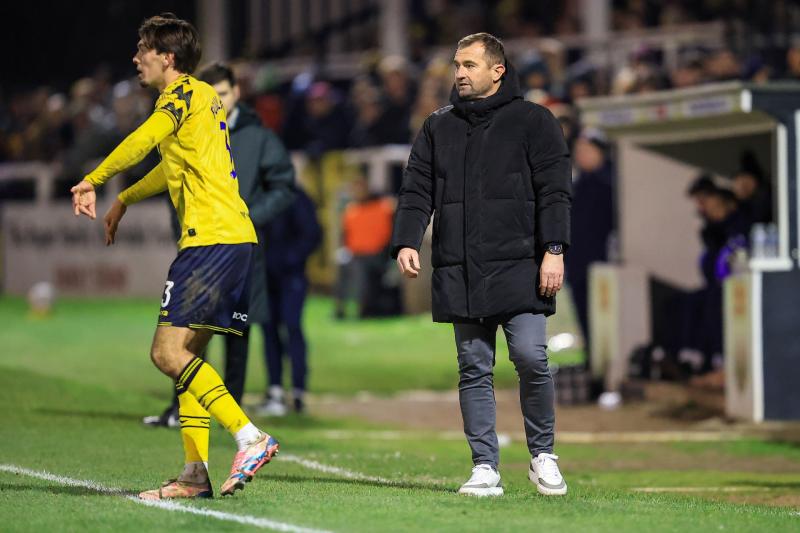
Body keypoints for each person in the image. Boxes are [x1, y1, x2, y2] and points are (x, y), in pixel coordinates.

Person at [69, 14, 278, 500]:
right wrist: (125, 199)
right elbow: (169, 168)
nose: (135, 58)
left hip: (210, 241)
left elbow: (144, 138)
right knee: (189, 357)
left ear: (167, 57)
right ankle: (194, 475)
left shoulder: (180, 94)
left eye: (142, 50)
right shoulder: (202, 99)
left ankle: (250, 437)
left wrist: (94, 179)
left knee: (166, 353)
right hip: (231, 238)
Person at [392, 32, 571, 497]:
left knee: (531, 358)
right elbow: (416, 189)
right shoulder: (438, 126)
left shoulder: (535, 121)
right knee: (473, 367)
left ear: (497, 70)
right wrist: (406, 241)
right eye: (457, 65)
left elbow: (555, 191)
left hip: (521, 266)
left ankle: (543, 455)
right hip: (462, 268)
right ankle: (485, 466)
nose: (459, 73)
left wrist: (554, 249)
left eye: (469, 65)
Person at [142, 62, 297, 426]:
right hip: (201, 249)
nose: (218, 101)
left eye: (223, 93)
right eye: (212, 94)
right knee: (187, 335)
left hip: (240, 251)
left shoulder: (259, 138)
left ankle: (233, 415)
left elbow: (284, 186)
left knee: (236, 334)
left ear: (236, 92)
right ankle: (183, 411)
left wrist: (248, 216)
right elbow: (174, 186)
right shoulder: (191, 131)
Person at [258, 187, 322, 416]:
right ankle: (275, 388)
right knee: (269, 330)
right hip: (265, 275)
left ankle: (298, 390)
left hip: (291, 275)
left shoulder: (295, 196)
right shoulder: (260, 195)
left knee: (292, 326)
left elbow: (312, 234)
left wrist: (290, 259)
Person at [335, 175, 399, 319]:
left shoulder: (383, 206)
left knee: (360, 273)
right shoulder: (351, 210)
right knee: (343, 271)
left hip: (377, 254)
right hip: (355, 254)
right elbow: (345, 235)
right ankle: (340, 309)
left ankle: (364, 309)